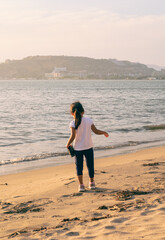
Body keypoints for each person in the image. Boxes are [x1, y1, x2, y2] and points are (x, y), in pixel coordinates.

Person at [66, 101, 109, 192]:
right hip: (89, 147)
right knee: (90, 166)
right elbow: (96, 131)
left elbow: (73, 136)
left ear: (71, 113)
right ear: (83, 112)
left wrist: (67, 143)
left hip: (78, 149)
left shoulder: (73, 123)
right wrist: (104, 132)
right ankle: (92, 183)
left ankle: (81, 185)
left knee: (79, 167)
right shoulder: (89, 121)